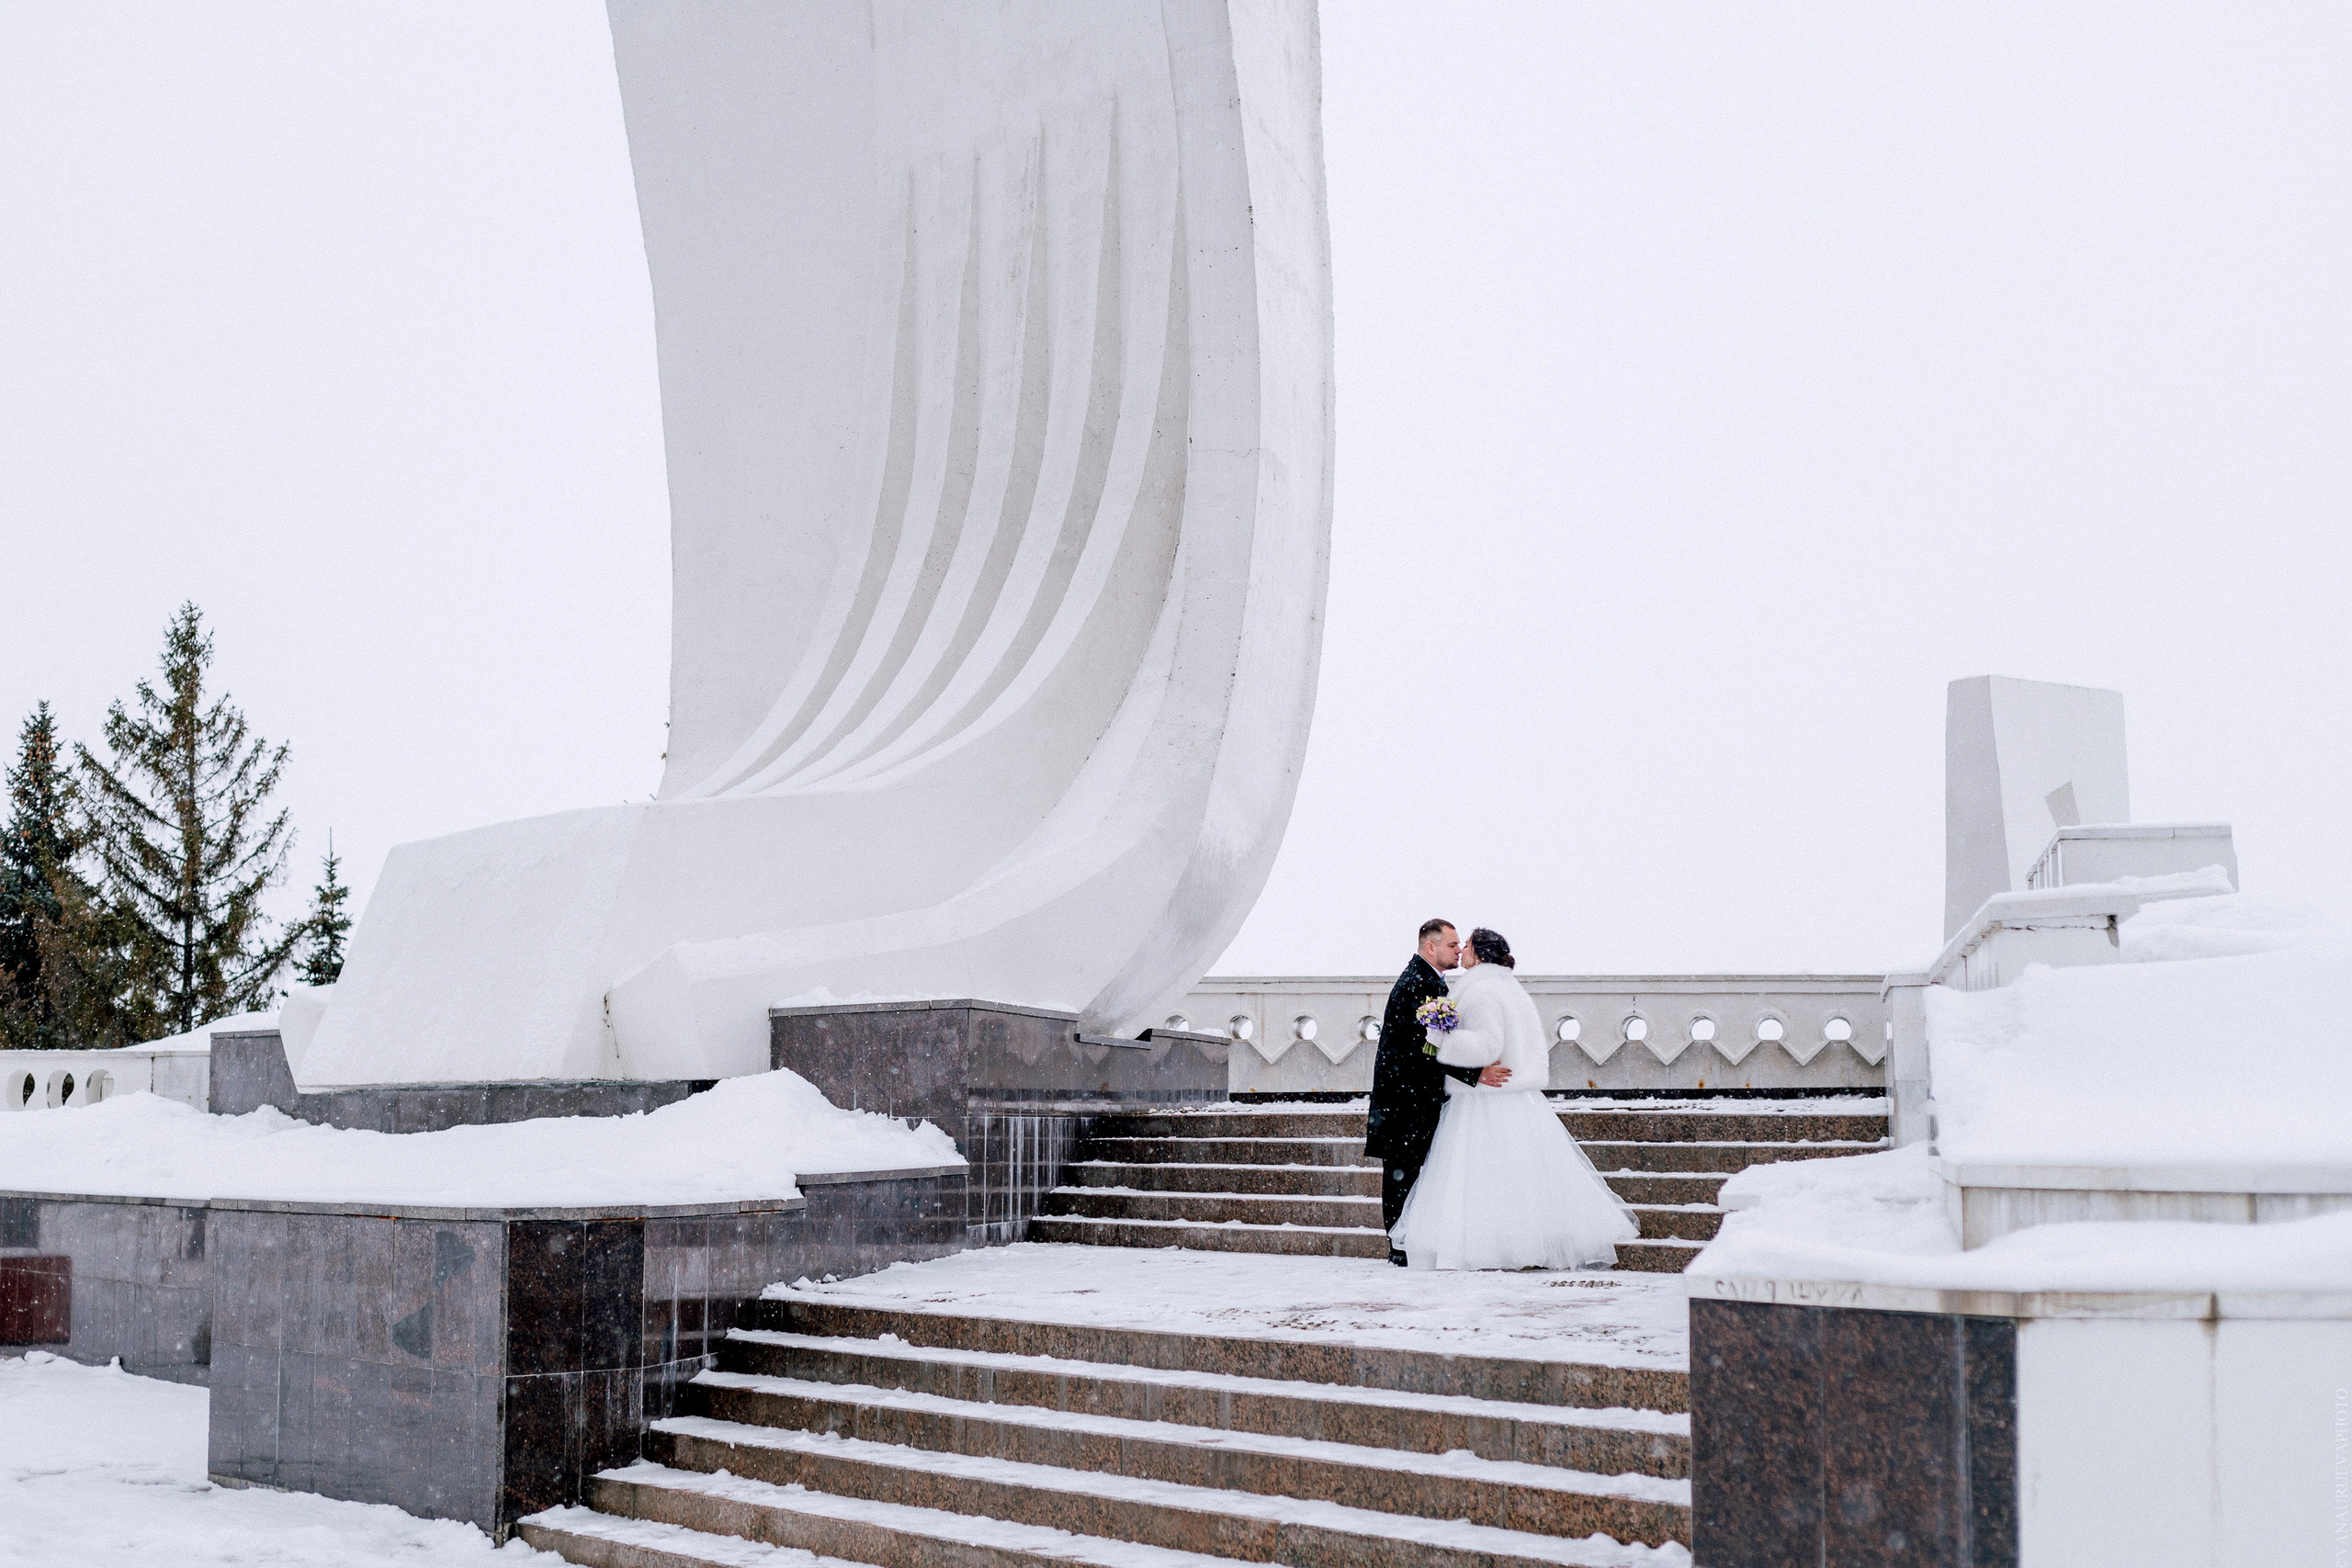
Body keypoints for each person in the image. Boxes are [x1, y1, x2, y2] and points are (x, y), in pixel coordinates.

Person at [1389, 926, 1639, 1271]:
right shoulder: (1508, 986)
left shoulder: (1481, 991)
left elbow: (1487, 1045)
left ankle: (1489, 1247)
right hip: (1514, 1097)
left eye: (1468, 946)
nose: (1461, 950)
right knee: (1517, 1175)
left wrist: (1442, 1038)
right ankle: (1522, 1241)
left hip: (1486, 1097)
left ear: (1480, 954)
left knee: (1481, 1175)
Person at [1363, 919, 1510, 1265]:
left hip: (1414, 1097)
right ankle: (1399, 1248)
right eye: (1452, 945)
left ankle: (1405, 1244)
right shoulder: (1419, 984)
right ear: (1431, 947)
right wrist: (1476, 1074)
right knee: (1403, 1172)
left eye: (1461, 945)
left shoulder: (1431, 981)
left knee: (1409, 1172)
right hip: (1405, 1100)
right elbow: (1423, 1047)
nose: (1459, 950)